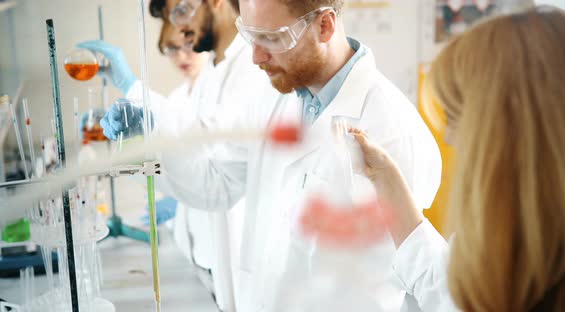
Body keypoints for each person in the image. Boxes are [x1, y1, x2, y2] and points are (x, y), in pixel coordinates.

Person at [341, 6, 565, 311]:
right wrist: (386, 178)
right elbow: (444, 286)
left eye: (458, 118)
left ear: (512, 130)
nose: (450, 139)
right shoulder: (515, 232)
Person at [235, 0, 442, 310]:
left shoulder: (395, 130)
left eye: (273, 38)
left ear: (324, 26)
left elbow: (390, 277)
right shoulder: (275, 95)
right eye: (251, 36)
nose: (255, 57)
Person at [89, 0, 287, 309]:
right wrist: (143, 137)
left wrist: (135, 94)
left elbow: (201, 138)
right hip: (219, 255)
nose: (179, 28)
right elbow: (202, 167)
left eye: (181, 11)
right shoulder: (213, 70)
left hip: (253, 257)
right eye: (171, 17)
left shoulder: (254, 68)